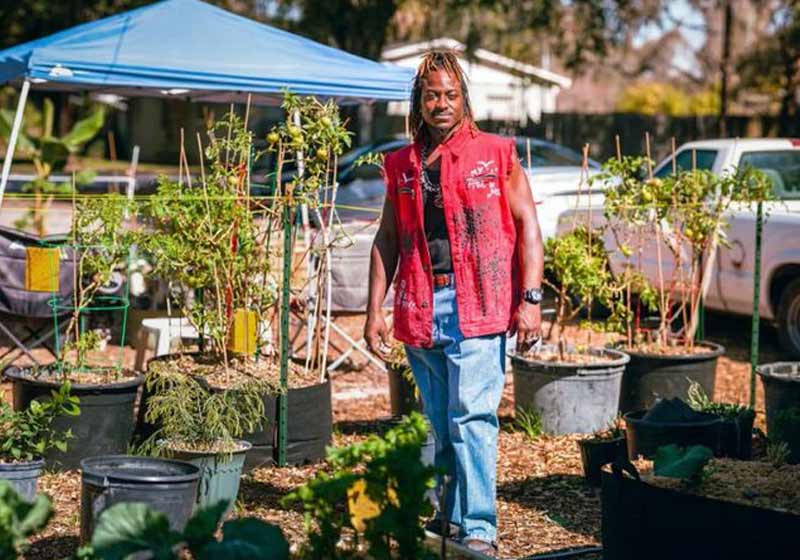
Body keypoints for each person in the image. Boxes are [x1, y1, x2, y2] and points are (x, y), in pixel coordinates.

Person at [365, 49, 544, 556]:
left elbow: (529, 226)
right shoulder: (401, 164)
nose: (440, 104)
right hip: (422, 305)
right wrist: (375, 308)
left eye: (450, 94)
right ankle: (449, 517)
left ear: (464, 99)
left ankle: (480, 527)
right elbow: (387, 237)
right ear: (418, 102)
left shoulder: (496, 154)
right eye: (430, 95)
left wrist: (530, 299)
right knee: (439, 421)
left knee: (473, 418)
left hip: (481, 304)